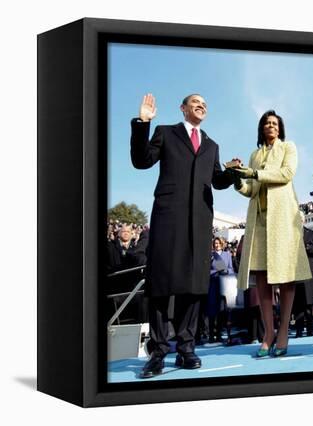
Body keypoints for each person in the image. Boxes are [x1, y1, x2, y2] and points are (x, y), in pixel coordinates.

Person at [130, 93, 234, 378]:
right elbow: (141, 160)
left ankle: (187, 348)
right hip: (168, 217)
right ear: (183, 108)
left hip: (199, 221)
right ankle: (159, 351)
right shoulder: (166, 133)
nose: (202, 104)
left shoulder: (212, 145)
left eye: (205, 102)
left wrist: (232, 173)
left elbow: (217, 180)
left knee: (194, 285)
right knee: (162, 283)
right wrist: (143, 122)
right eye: (196, 101)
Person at [229, 110, 312, 357]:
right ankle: (268, 332)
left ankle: (284, 330)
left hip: (283, 218)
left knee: (285, 276)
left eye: (275, 123)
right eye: (267, 123)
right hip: (260, 219)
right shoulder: (255, 155)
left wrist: (254, 174)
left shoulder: (289, 148)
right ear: (261, 128)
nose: (271, 126)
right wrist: (237, 179)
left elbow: (286, 174)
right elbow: (251, 189)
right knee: (262, 277)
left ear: (280, 128)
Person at [293, 213, 313, 338]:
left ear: (304, 220)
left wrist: (308, 248)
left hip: (309, 271)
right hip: (295, 271)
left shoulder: (310, 233)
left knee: (309, 302)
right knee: (298, 303)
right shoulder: (291, 233)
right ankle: (299, 330)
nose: (299, 221)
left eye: (301, 219)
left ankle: (310, 329)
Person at [207, 237, 235, 343]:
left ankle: (218, 334)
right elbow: (207, 271)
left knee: (221, 310)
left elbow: (231, 269)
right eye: (215, 243)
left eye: (218, 243)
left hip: (223, 284)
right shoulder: (210, 255)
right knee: (211, 309)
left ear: (222, 244)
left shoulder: (227, 255)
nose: (217, 245)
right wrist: (215, 271)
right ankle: (211, 335)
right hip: (213, 284)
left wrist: (226, 270)